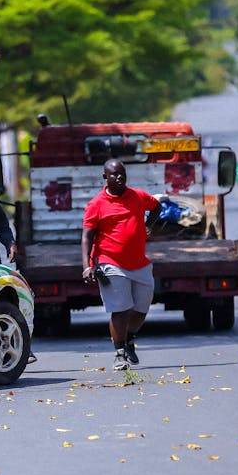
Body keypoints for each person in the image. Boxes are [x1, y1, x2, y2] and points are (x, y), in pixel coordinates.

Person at [81, 158, 161, 371]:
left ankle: (129, 339)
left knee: (142, 308)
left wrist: (148, 226)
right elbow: (86, 237)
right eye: (114, 174)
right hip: (110, 262)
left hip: (140, 263)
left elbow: (157, 206)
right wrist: (86, 266)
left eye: (122, 174)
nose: (119, 177)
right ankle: (119, 353)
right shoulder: (96, 205)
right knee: (121, 309)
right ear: (104, 177)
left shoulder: (137, 196)